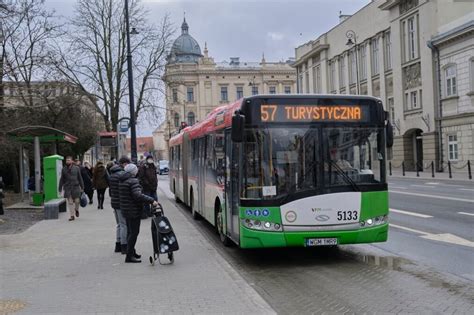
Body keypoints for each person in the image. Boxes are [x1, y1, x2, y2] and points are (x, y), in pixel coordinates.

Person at [119, 164, 157, 263]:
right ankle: (129, 256)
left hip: (126, 210)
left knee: (129, 232)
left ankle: (131, 252)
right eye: (136, 170)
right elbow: (137, 196)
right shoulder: (133, 181)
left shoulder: (122, 180)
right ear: (133, 172)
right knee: (134, 233)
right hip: (133, 210)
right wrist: (151, 200)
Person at [108, 156, 130, 254]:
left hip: (114, 202)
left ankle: (118, 244)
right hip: (121, 202)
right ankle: (124, 246)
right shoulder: (121, 175)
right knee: (124, 225)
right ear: (124, 164)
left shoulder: (112, 175)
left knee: (119, 225)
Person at [59, 156, 84, 221]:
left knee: (77, 201)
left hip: (76, 187)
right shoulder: (64, 169)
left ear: (72, 161)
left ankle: (76, 209)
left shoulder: (76, 168)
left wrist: (82, 187)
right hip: (67, 187)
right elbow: (62, 179)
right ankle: (72, 216)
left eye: (69, 160)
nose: (67, 161)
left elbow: (80, 178)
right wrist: (60, 188)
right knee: (70, 202)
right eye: (67, 160)